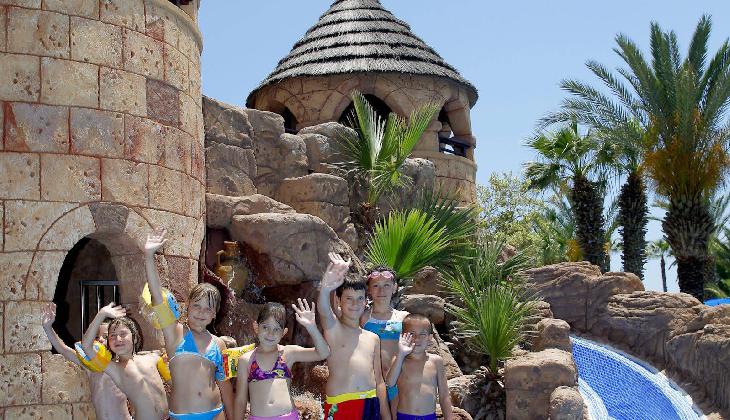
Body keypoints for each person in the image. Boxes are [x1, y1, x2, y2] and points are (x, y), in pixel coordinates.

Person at [142, 229, 234, 420]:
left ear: (214, 314)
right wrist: (149, 256)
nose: (201, 312)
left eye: (208, 309)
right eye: (197, 306)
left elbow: (225, 386)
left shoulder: (219, 344)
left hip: (216, 413)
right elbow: (157, 296)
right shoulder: (174, 332)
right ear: (188, 306)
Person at [318, 252, 391, 420]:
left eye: (359, 299)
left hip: (370, 403)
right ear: (338, 301)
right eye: (349, 298)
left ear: (365, 301)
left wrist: (386, 416)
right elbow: (324, 310)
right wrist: (326, 287)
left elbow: (379, 381)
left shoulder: (373, 338)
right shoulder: (334, 329)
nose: (355, 304)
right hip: (341, 405)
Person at [233, 299, 330, 420]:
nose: (270, 333)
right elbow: (240, 400)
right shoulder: (246, 360)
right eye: (265, 327)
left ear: (284, 332)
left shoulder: (288, 353)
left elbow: (323, 353)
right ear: (256, 327)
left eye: (276, 329)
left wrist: (312, 327)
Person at [41, 302, 132, 420]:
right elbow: (64, 350)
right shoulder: (90, 366)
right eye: (96, 337)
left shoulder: (120, 365)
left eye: (105, 337)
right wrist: (47, 327)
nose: (100, 339)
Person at [79, 303, 169, 420]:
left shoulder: (152, 358)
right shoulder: (115, 369)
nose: (118, 339)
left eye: (123, 334)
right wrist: (102, 314)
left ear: (134, 338)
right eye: (112, 336)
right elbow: (86, 346)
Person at [360, 266, 409, 417]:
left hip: (398, 380)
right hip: (373, 382)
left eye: (386, 285)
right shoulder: (363, 318)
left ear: (394, 287)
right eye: (376, 285)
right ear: (369, 289)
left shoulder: (403, 317)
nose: (381, 290)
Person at [385, 314, 453, 420]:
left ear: (430, 338)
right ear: (403, 336)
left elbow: (444, 395)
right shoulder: (399, 359)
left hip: (429, 417)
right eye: (412, 334)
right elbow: (390, 383)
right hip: (404, 417)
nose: (417, 338)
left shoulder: (436, 361)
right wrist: (401, 354)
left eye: (423, 334)